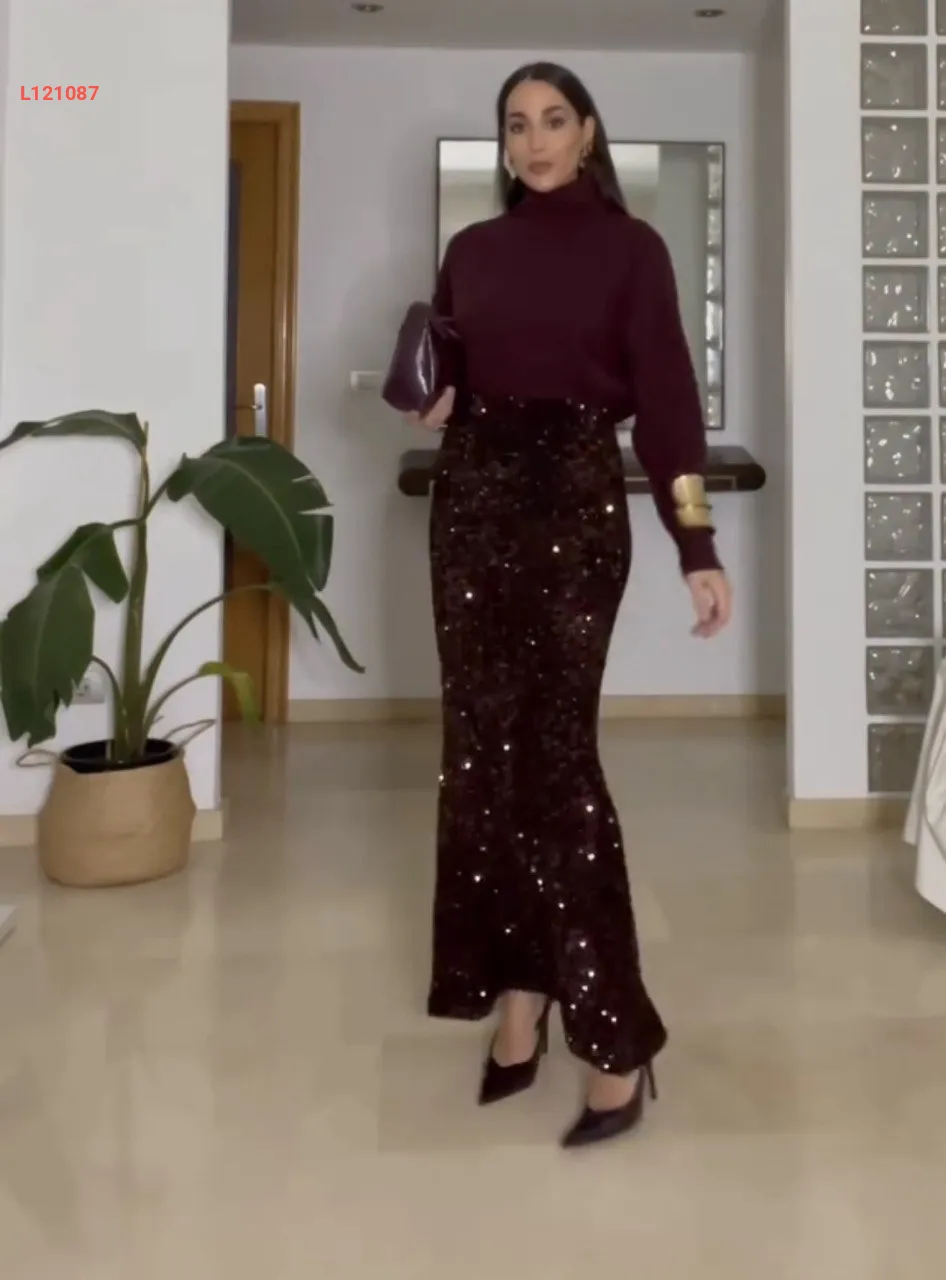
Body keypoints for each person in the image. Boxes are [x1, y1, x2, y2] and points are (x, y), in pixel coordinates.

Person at [405, 61, 733, 1148]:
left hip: (572, 508)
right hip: (470, 505)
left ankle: (614, 1036)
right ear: (502, 142)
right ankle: (519, 998)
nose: (535, 140)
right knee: (478, 759)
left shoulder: (632, 251)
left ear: (588, 133)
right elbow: (452, 378)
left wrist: (695, 543)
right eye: (517, 124)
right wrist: (435, 398)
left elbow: (670, 405)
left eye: (554, 120)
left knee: (554, 766)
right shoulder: (471, 251)